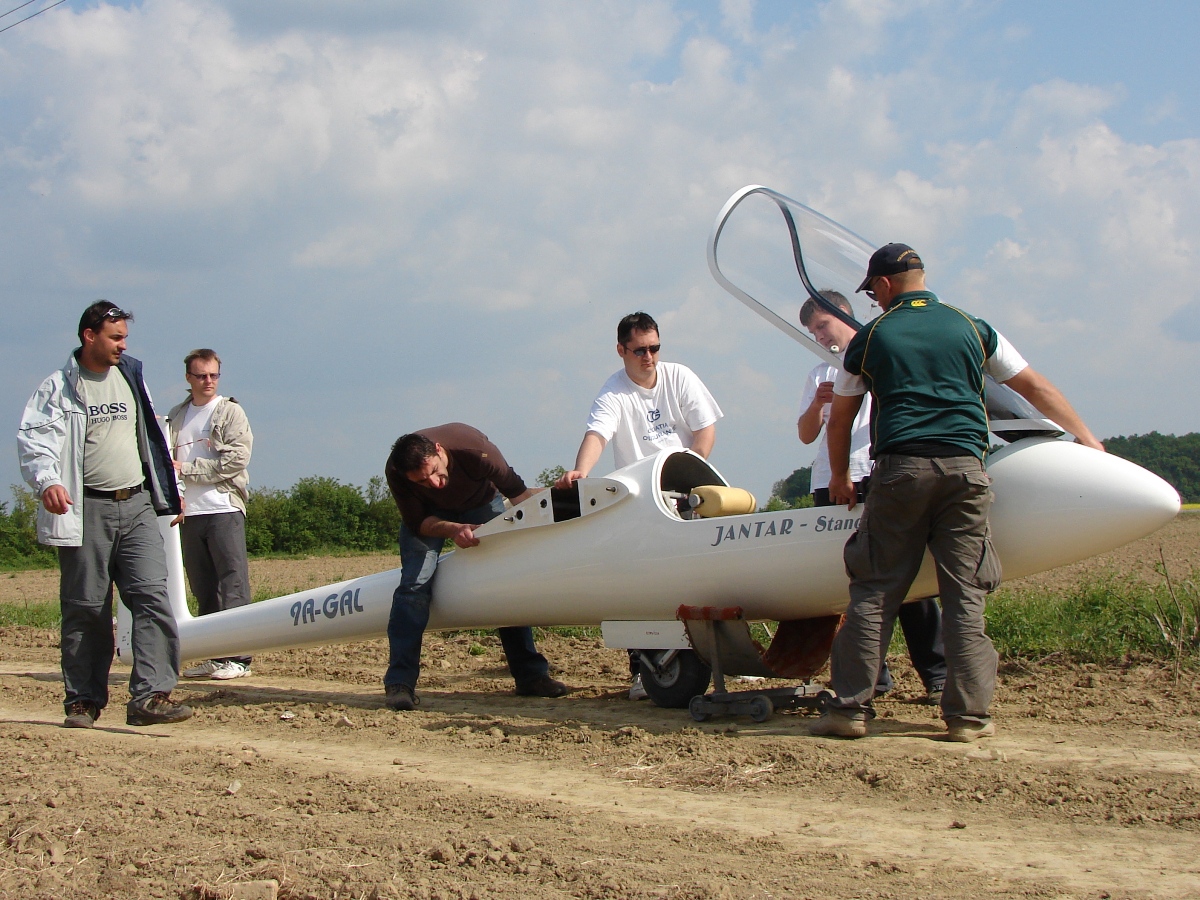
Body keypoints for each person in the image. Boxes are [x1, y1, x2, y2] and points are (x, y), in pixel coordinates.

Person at [810, 244, 1103, 742]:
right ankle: (968, 718)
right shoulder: (974, 326)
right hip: (968, 470)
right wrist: (1089, 442)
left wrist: (838, 476)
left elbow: (841, 417)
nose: (874, 303)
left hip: (901, 471)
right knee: (965, 594)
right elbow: (1036, 387)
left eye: (874, 294)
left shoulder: (872, 336)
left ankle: (850, 710)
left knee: (877, 588)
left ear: (882, 286)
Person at [17, 301, 193, 728]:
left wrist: (172, 489)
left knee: (153, 597)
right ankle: (83, 701)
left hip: (135, 505)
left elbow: (151, 436)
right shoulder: (59, 387)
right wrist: (48, 482)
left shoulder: (131, 376)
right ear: (89, 336)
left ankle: (150, 697)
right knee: (87, 608)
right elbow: (35, 439)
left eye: (125, 338)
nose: (122, 345)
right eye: (115, 337)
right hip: (85, 507)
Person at [556, 311, 723, 700]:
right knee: (640, 587)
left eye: (654, 348)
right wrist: (581, 470)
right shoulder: (613, 392)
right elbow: (598, 432)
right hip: (640, 501)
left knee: (702, 578)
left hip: (687, 493)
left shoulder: (679, 377)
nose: (649, 357)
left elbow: (705, 429)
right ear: (621, 351)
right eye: (639, 351)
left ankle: (718, 661)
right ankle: (644, 670)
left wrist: (691, 471)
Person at [798, 291, 946, 705]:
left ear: (844, 315)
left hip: (876, 472)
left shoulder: (882, 355)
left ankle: (937, 674)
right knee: (852, 580)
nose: (820, 336)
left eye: (823, 326)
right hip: (831, 480)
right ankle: (871, 679)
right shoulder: (818, 373)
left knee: (910, 581)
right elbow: (807, 434)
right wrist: (817, 404)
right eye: (812, 331)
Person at [383, 424, 568, 711]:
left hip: (482, 502)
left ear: (440, 451)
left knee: (504, 581)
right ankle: (400, 683)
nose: (434, 484)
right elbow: (419, 523)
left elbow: (519, 497)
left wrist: (543, 540)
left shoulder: (475, 450)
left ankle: (531, 676)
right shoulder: (397, 472)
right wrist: (455, 529)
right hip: (432, 518)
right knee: (414, 587)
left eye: (434, 471)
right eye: (421, 481)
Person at [166, 349, 255, 680]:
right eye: (201, 375)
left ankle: (240, 658)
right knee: (204, 588)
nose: (208, 381)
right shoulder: (176, 416)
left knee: (233, 582)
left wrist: (187, 469)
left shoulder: (230, 412)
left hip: (224, 507)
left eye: (213, 375)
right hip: (189, 513)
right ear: (188, 378)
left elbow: (236, 459)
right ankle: (216, 656)